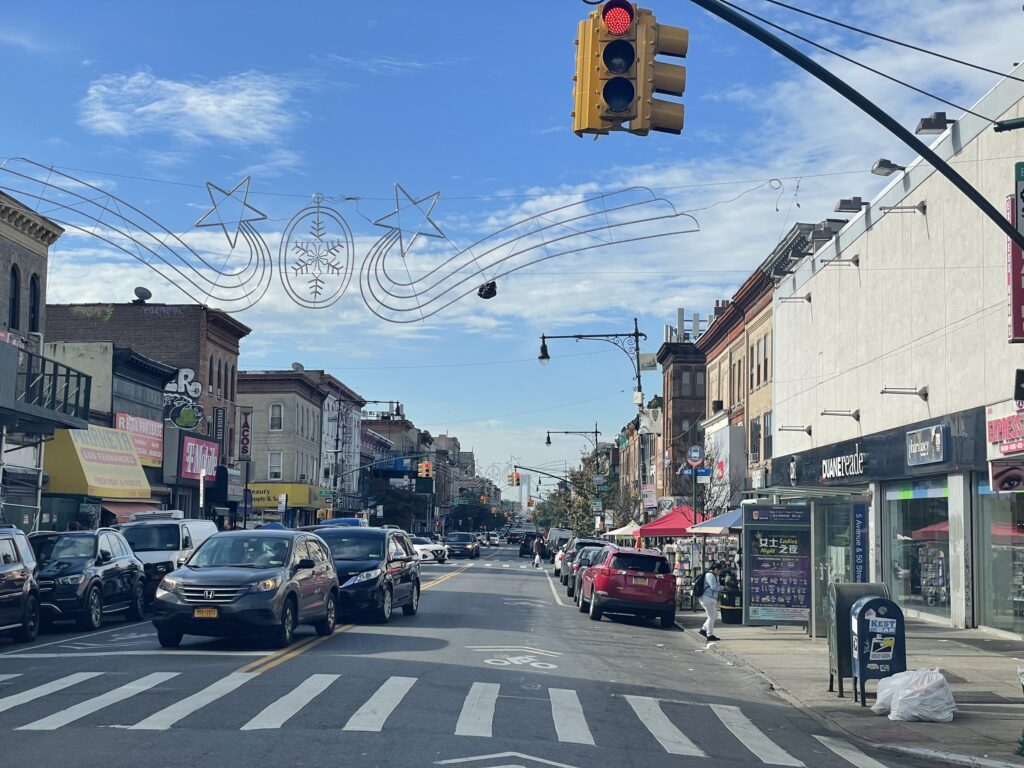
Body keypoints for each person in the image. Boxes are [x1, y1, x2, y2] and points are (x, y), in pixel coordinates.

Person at [698, 562, 724, 642]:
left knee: (715, 615)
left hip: (709, 598)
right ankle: (709, 635)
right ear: (716, 569)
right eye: (720, 570)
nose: (720, 572)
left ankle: (703, 629)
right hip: (707, 598)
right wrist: (723, 587)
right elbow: (714, 587)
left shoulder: (714, 575)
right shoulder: (710, 575)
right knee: (711, 616)